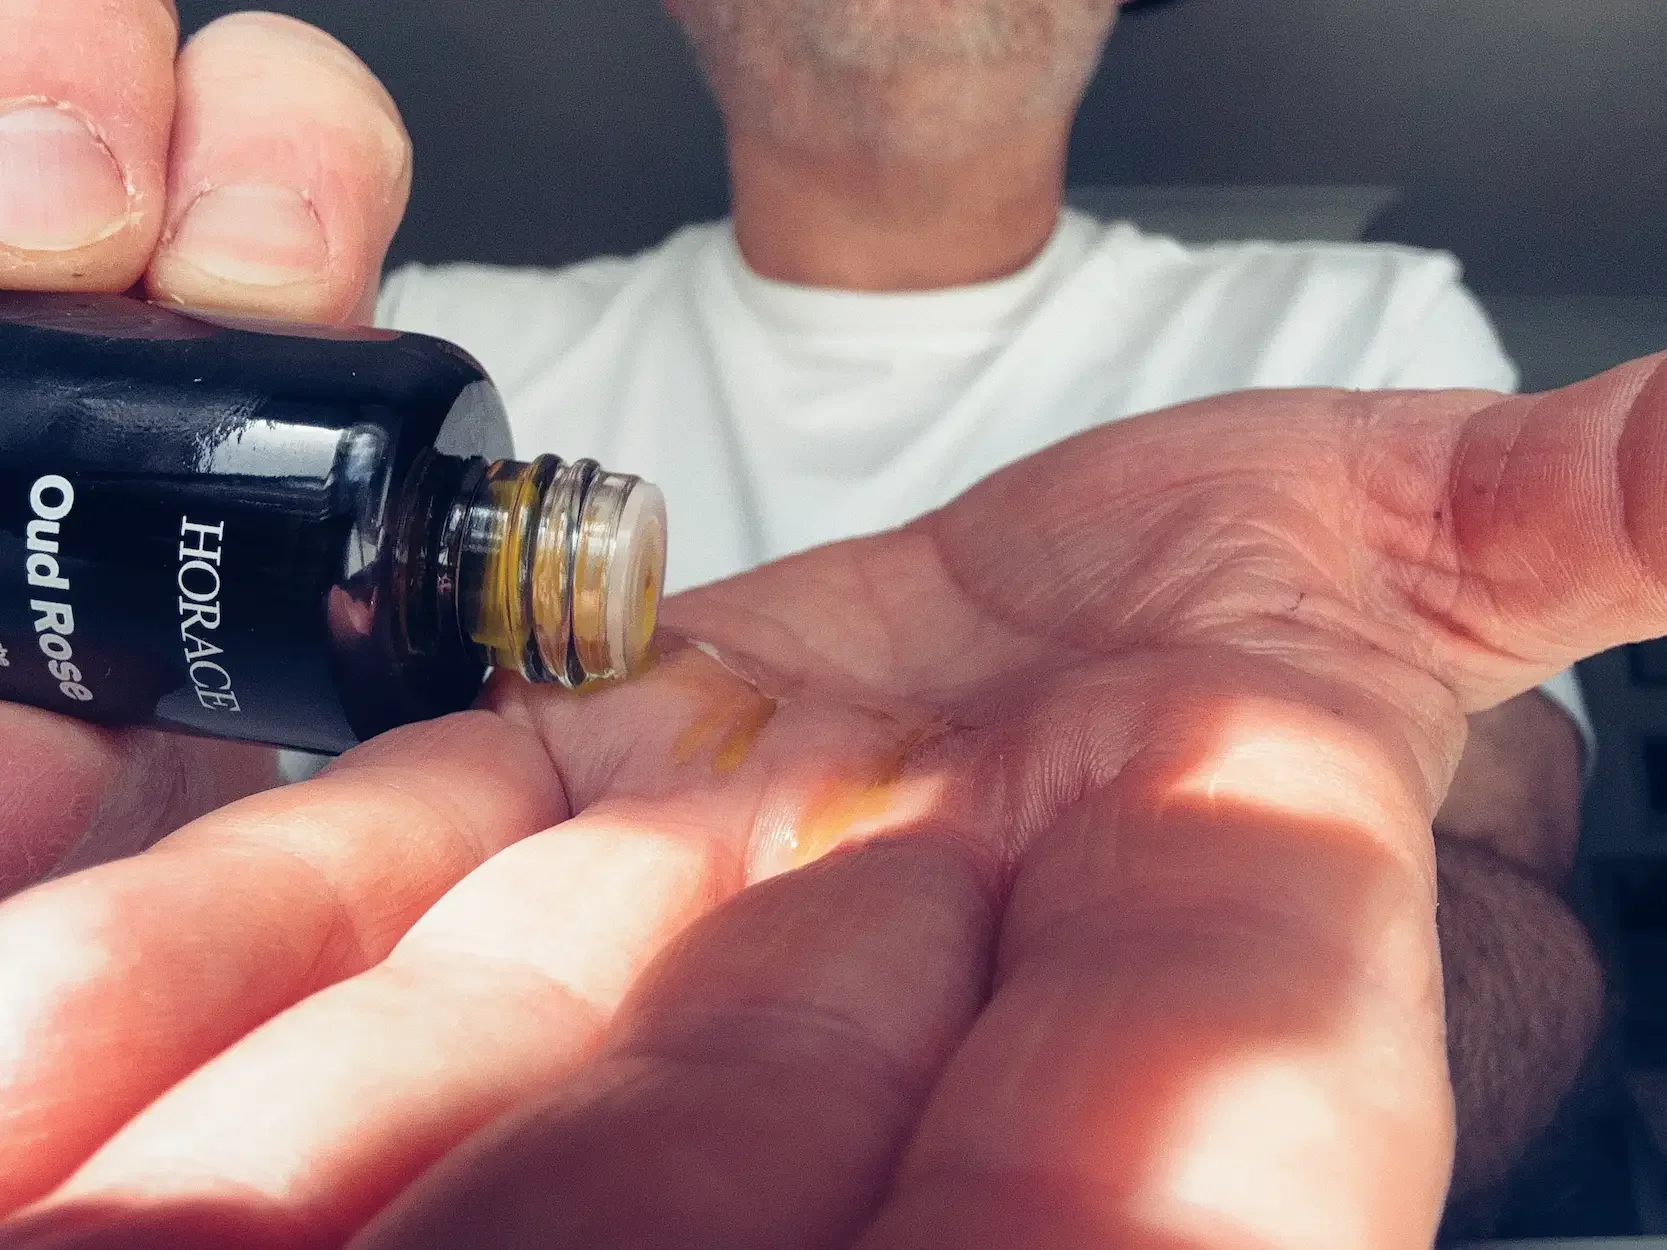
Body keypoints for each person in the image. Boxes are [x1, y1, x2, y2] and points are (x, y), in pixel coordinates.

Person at [0, 1, 1622, 1245]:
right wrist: (114, 820)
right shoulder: (415, 331)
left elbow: (1501, 902)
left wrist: (1135, 1025)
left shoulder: (1355, 325)